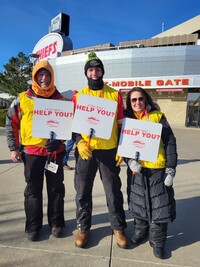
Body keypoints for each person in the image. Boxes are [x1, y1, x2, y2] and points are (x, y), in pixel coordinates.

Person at [5, 60, 66, 241]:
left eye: (47, 74)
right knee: (32, 190)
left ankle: (56, 222)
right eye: (40, 74)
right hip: (32, 153)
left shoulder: (61, 100)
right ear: (35, 77)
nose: (44, 78)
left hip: (55, 153)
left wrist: (59, 140)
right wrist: (13, 148)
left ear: (52, 76)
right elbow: (11, 123)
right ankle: (33, 225)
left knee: (56, 189)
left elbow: (68, 126)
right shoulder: (22, 98)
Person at [72, 52, 127, 249]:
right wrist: (78, 141)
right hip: (86, 151)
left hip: (109, 151)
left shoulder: (114, 94)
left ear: (102, 71)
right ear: (86, 73)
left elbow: (122, 124)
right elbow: (72, 124)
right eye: (90, 69)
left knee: (113, 191)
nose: (94, 72)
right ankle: (83, 227)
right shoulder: (78, 96)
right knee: (82, 192)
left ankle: (118, 227)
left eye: (97, 69)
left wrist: (123, 146)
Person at [123, 87, 178, 259]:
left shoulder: (158, 117)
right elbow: (122, 143)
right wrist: (129, 160)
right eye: (133, 100)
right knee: (138, 203)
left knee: (160, 207)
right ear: (129, 103)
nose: (137, 102)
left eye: (140, 99)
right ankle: (141, 231)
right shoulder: (126, 119)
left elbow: (169, 140)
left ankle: (158, 241)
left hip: (157, 169)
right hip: (137, 170)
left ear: (146, 99)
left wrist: (171, 167)